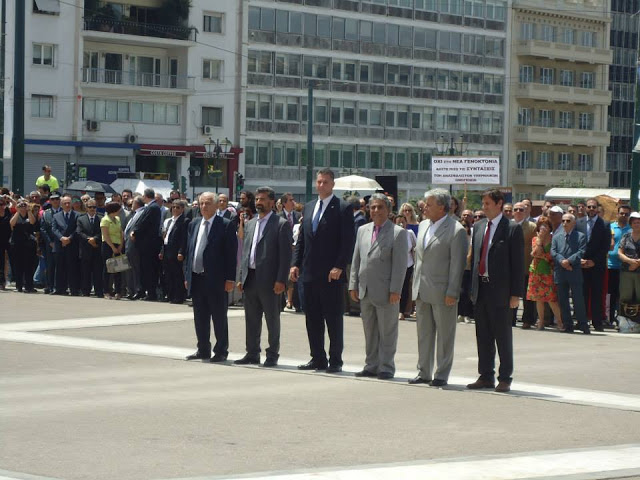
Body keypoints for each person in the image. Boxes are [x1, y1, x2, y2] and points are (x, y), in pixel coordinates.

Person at [290, 168, 354, 373]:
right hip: (309, 273)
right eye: (318, 182)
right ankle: (317, 358)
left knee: (333, 319)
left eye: (325, 182)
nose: (321, 185)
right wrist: (295, 263)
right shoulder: (308, 208)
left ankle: (335, 360)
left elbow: (347, 241)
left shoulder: (342, 208)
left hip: (331, 275)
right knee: (313, 319)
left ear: (333, 184)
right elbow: (302, 239)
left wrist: (339, 266)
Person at [467, 189, 523, 393]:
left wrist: (515, 294)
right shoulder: (479, 226)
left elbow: (517, 264)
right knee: (483, 335)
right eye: (483, 203)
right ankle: (485, 375)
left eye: (488, 203)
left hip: (501, 291)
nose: (484, 206)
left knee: (502, 336)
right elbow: (474, 260)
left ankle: (505, 377)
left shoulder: (512, 228)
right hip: (481, 288)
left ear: (500, 204)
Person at [410, 189, 467, 387]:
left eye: (429, 204)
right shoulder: (424, 225)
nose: (424, 207)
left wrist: (453, 291)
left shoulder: (456, 230)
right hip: (422, 289)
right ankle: (423, 371)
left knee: (445, 335)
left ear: (442, 207)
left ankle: (441, 373)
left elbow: (457, 265)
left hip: (443, 292)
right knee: (423, 333)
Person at [349, 194, 407, 380]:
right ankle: (371, 365)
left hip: (386, 292)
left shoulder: (398, 233)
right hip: (365, 290)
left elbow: (400, 265)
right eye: (372, 207)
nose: (376, 211)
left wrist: (396, 290)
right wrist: (353, 284)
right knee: (370, 331)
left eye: (380, 207)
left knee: (387, 332)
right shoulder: (363, 230)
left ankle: (386, 367)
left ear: (388, 210)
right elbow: (356, 260)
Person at [236, 187, 292, 367]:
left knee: (272, 319)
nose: (258, 202)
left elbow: (285, 256)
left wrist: (281, 280)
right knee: (251, 319)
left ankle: (272, 354)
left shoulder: (281, 224)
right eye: (257, 199)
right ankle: (252, 353)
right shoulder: (251, 223)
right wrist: (241, 276)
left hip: (270, 281)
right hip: (250, 278)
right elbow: (245, 252)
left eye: (262, 199)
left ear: (271, 202)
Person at [184, 192, 237, 362]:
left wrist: (230, 278)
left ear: (216, 206)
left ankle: (221, 350)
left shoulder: (226, 225)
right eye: (201, 203)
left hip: (216, 279)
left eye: (208, 203)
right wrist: (187, 275)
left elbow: (231, 254)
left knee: (218, 316)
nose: (204, 207)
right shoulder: (194, 224)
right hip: (197, 277)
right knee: (200, 316)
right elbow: (190, 251)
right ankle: (203, 349)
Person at [576, 198, 611, 331]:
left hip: (597, 265)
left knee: (596, 294)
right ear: (585, 208)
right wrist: (580, 260)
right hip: (581, 264)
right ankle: (582, 321)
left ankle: (597, 322)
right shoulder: (578, 223)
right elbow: (575, 243)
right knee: (582, 294)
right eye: (589, 207)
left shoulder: (605, 224)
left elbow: (605, 246)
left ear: (597, 208)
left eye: (594, 207)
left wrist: (593, 261)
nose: (591, 209)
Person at [551, 213, 589, 334]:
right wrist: (562, 261)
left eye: (568, 221)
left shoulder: (580, 236)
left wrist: (569, 261)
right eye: (563, 221)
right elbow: (553, 251)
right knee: (563, 300)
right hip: (560, 272)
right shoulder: (557, 236)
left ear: (573, 222)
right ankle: (567, 325)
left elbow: (581, 251)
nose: (565, 223)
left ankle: (583, 324)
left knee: (578, 299)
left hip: (574, 271)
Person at [527, 217, 563, 330]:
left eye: (546, 225)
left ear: (549, 228)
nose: (543, 228)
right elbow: (533, 253)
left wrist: (542, 255)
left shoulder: (554, 239)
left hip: (548, 271)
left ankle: (560, 322)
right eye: (541, 225)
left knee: (551, 299)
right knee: (538, 299)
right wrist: (540, 241)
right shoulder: (535, 239)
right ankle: (541, 322)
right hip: (536, 270)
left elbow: (551, 256)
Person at [131, 188, 162, 301]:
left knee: (149, 269)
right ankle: (146, 291)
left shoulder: (152, 208)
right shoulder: (152, 207)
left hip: (149, 244)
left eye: (143, 196)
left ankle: (151, 293)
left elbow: (144, 223)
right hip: (146, 244)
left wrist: (135, 232)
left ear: (146, 196)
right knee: (145, 269)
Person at [160, 200, 189, 304]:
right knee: (168, 274)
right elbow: (165, 237)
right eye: (173, 207)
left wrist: (181, 251)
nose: (175, 209)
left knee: (177, 274)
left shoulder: (184, 221)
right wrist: (162, 251)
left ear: (182, 209)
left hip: (176, 250)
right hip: (167, 248)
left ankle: (179, 296)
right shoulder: (169, 220)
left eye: (178, 207)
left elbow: (184, 238)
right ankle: (170, 294)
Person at [513, 202, 537, 328]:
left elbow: (535, 245)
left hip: (526, 264)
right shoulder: (508, 225)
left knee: (527, 296)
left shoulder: (532, 226)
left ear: (526, 211)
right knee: (511, 293)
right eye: (515, 209)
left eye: (521, 209)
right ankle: (510, 319)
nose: (518, 211)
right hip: (510, 266)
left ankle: (528, 319)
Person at [52, 195, 81, 296]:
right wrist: (62, 238)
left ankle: (74, 289)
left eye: (69, 203)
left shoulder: (77, 215)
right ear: (61, 204)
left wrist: (69, 238)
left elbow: (78, 229)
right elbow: (54, 229)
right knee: (60, 268)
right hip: (60, 246)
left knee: (72, 268)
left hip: (72, 245)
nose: (67, 205)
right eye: (65, 203)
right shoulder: (56, 216)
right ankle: (60, 289)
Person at [609, 205, 632, 325]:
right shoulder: (610, 227)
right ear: (617, 214)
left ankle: (621, 318)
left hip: (625, 267)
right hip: (610, 265)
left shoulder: (632, 229)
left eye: (626, 214)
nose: (623, 216)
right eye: (622, 213)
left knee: (622, 295)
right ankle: (609, 318)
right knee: (610, 294)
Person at [76, 199, 104, 298]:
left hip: (97, 248)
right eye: (90, 207)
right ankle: (85, 291)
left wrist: (95, 239)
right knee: (85, 272)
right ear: (86, 208)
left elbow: (103, 232)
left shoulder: (101, 218)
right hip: (85, 249)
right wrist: (89, 239)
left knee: (98, 272)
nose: (92, 209)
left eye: (94, 207)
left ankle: (99, 291)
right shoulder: (81, 219)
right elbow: (79, 232)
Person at [9, 200, 38, 293]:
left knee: (29, 266)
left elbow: (33, 222)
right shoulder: (15, 215)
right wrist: (17, 211)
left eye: (24, 205)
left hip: (28, 244)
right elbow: (12, 224)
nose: (22, 207)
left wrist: (28, 210)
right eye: (20, 205)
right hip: (17, 243)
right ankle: (19, 286)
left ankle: (29, 286)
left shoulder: (30, 214)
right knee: (18, 265)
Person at [100, 202, 124, 300]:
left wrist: (120, 245)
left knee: (118, 269)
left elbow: (120, 232)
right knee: (108, 270)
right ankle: (106, 291)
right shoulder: (105, 220)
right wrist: (112, 247)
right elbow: (105, 236)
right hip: (108, 245)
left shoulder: (117, 219)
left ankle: (118, 291)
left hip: (118, 244)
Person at [123, 196, 145, 300]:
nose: (131, 206)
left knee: (135, 269)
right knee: (129, 269)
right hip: (128, 245)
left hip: (134, 246)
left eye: (133, 203)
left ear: (137, 204)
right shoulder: (133, 215)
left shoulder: (141, 213)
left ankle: (137, 290)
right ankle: (130, 290)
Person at [618, 212, 640, 311]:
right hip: (626, 271)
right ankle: (626, 322)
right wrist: (630, 261)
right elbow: (620, 252)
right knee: (625, 297)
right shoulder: (626, 236)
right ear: (631, 224)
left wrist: (636, 264)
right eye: (635, 222)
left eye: (639, 222)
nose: (637, 224)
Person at [39, 192, 61, 294]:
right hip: (50, 243)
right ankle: (50, 286)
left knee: (60, 266)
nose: (55, 201)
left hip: (61, 242)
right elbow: (43, 229)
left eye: (57, 199)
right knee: (50, 266)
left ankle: (59, 286)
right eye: (53, 199)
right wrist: (50, 242)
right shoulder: (45, 213)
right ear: (50, 201)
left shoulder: (63, 211)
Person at [0, 196, 11, 290]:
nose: (1, 206)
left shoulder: (8, 212)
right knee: (1, 262)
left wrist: (9, 198)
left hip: (7, 240)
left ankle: (5, 280)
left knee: (6, 261)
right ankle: (1, 282)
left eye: (2, 204)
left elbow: (16, 206)